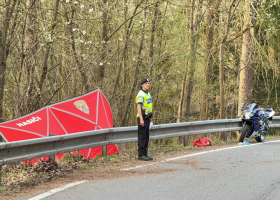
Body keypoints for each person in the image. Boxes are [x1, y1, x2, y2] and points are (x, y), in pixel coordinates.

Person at [135, 78, 153, 161]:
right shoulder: (141, 94)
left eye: (148, 83)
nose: (147, 84)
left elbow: (148, 106)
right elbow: (139, 107)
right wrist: (141, 119)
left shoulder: (148, 94)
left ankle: (145, 154)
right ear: (142, 85)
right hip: (142, 118)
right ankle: (141, 154)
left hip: (147, 117)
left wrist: (150, 118)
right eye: (145, 83)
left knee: (146, 136)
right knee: (142, 136)